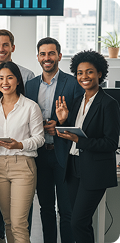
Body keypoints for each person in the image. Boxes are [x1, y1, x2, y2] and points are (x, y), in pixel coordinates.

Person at [55, 50, 120, 243]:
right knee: (81, 223)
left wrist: (79, 140)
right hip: (74, 168)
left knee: (77, 222)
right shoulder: (77, 102)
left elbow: (110, 143)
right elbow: (71, 134)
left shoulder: (109, 104)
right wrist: (63, 121)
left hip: (94, 171)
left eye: (90, 72)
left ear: (100, 73)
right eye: (80, 73)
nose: (84, 77)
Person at [25, 37, 83, 243]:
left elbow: (81, 119)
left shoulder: (73, 83)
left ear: (59, 56)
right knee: (46, 208)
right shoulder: (29, 86)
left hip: (64, 154)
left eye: (51, 53)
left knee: (66, 210)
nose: (46, 58)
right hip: (40, 155)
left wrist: (60, 123)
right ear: (38, 57)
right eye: (43, 54)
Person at [0, 30, 34, 243]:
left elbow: (28, 111)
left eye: (5, 45)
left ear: (12, 47)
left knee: (21, 211)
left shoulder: (28, 75)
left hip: (23, 154)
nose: (1, 49)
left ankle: (22, 234)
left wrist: (19, 142)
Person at [0, 61, 44, 243]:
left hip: (23, 166)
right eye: (0, 78)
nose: (5, 82)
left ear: (18, 81)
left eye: (10, 77)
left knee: (19, 223)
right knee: (8, 222)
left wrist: (19, 145)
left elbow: (39, 139)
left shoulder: (30, 106)